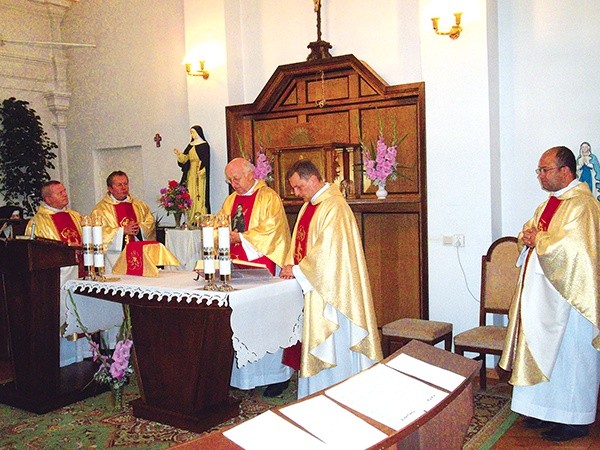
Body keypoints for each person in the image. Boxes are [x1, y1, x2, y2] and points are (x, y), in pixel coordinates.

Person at [499, 146, 600, 442]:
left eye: (545, 170)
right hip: (543, 296)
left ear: (565, 172)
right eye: (539, 171)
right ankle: (544, 410)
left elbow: (577, 250)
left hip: (571, 298)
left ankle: (575, 418)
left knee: (572, 357)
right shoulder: (548, 205)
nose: (541, 176)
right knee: (543, 351)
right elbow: (530, 232)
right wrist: (527, 237)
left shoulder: (584, 205)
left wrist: (538, 238)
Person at [280, 159, 383, 398]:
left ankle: (340, 393)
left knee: (335, 342)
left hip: (334, 292)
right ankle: (317, 395)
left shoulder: (334, 207)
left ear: (313, 179)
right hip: (314, 286)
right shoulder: (309, 206)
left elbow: (329, 252)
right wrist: (289, 263)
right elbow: (298, 241)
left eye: (298, 187)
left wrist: (297, 270)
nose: (296, 193)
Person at [24, 181, 122, 367]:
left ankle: (87, 351)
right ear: (47, 199)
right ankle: (66, 357)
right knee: (65, 312)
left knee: (86, 310)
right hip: (60, 278)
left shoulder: (76, 216)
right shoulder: (38, 222)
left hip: (81, 272)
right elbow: (37, 253)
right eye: (59, 193)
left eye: (64, 191)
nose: (65, 194)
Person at [218, 157, 292, 396]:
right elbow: (220, 224)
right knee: (241, 322)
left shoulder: (268, 197)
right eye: (230, 180)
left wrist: (241, 238)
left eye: (236, 178)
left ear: (250, 174)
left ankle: (276, 377)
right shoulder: (231, 200)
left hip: (262, 267)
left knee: (268, 322)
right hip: (235, 267)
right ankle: (244, 378)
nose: (233, 184)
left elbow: (273, 230)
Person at [91, 171, 156, 272]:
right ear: (110, 188)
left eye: (125, 184)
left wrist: (139, 229)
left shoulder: (139, 205)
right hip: (114, 259)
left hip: (139, 255)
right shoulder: (100, 210)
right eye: (119, 185)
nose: (124, 187)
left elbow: (149, 222)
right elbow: (99, 233)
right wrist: (122, 231)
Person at [174, 125, 211, 223]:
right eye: (191, 133)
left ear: (198, 133)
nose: (192, 134)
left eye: (193, 132)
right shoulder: (190, 145)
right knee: (190, 195)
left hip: (199, 174)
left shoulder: (204, 145)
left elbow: (206, 161)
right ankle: (191, 219)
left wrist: (202, 171)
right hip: (191, 174)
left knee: (199, 195)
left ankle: (200, 218)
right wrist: (179, 155)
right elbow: (185, 159)